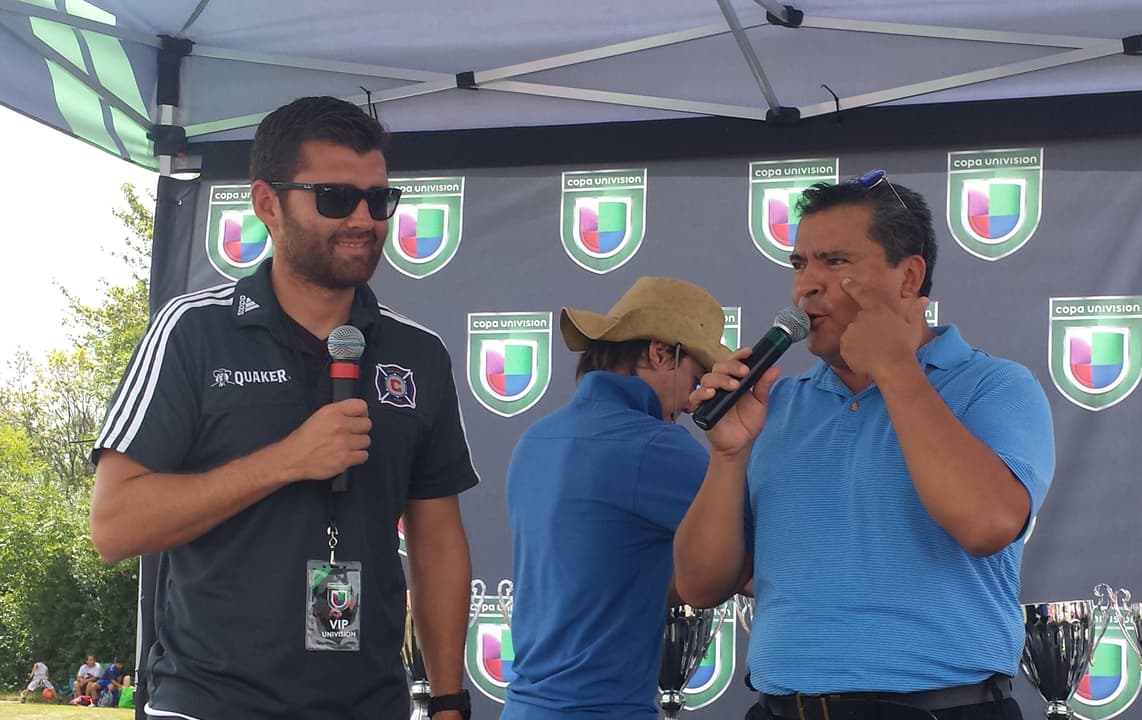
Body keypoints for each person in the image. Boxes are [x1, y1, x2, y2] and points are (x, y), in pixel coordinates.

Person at [90, 96, 478, 720]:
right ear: (267, 203)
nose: (362, 219)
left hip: (369, 704)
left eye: (378, 201)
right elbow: (115, 526)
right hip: (210, 703)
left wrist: (449, 699)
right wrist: (286, 461)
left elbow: (436, 541)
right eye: (334, 198)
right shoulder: (193, 332)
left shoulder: (418, 354)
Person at [674, 174, 1055, 720]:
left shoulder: (994, 386)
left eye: (834, 262)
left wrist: (895, 366)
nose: (806, 286)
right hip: (781, 708)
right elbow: (700, 585)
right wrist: (728, 454)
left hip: (936, 710)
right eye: (798, 264)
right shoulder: (775, 407)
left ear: (910, 276)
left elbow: (987, 523)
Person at [502, 277, 733, 720]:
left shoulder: (535, 439)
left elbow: (601, 575)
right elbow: (751, 565)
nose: (694, 401)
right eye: (698, 375)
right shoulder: (655, 446)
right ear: (660, 352)